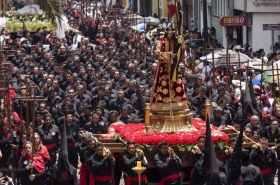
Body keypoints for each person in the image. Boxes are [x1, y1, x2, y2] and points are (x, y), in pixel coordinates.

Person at [150, 27, 187, 112]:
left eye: (171, 34)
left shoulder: (176, 41)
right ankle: (161, 105)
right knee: (163, 86)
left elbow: (182, 56)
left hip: (174, 68)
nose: (170, 35)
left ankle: (178, 105)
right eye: (169, 33)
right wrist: (169, 54)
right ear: (166, 33)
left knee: (176, 85)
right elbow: (157, 53)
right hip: (164, 68)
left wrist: (182, 48)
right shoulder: (161, 41)